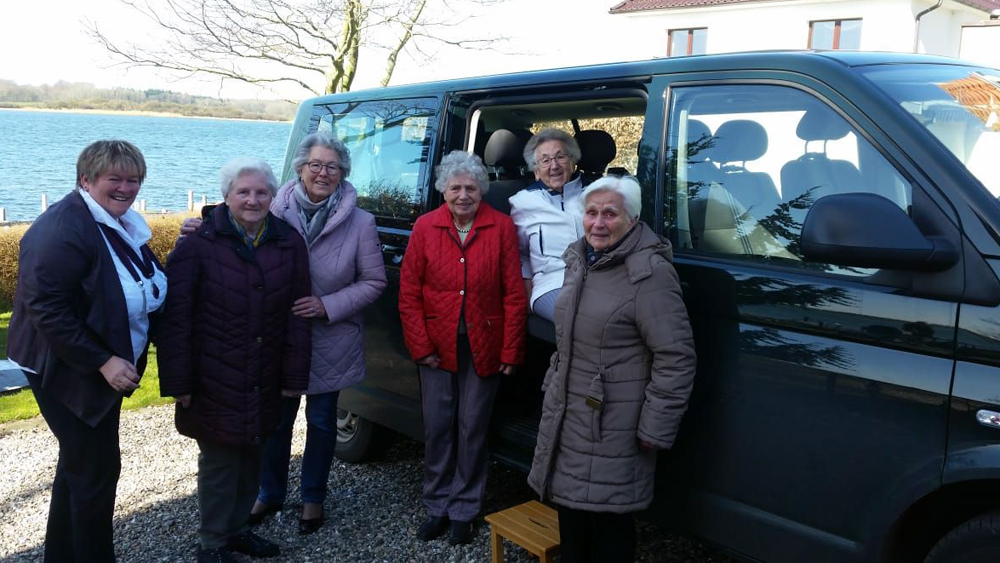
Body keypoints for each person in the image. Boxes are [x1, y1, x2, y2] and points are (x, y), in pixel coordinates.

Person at [7, 140, 167, 562]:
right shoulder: (61, 229)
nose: (126, 188)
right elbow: (46, 307)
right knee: (96, 470)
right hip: (66, 367)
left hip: (96, 363)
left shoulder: (115, 222)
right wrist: (103, 361)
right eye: (115, 179)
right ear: (86, 179)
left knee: (78, 465)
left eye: (134, 180)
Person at [527, 176, 697, 563]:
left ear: (632, 220)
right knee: (571, 519)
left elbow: (676, 357)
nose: (598, 223)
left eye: (610, 214)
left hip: (614, 423)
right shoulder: (580, 261)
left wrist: (655, 427)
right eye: (591, 213)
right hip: (569, 414)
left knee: (609, 527)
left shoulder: (649, 273)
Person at [158, 158, 312, 563]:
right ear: (226, 196)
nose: (252, 199)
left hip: (265, 371)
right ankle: (212, 542)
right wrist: (179, 382)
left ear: (273, 196)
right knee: (220, 459)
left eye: (261, 192)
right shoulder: (198, 244)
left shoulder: (289, 242)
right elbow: (176, 318)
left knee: (253, 453)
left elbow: (298, 315)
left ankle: (238, 528)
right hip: (213, 374)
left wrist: (294, 376)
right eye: (243, 192)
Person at [249, 132, 387, 534]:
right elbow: (237, 246)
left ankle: (313, 498)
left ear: (343, 172)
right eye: (315, 165)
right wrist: (198, 228)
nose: (323, 173)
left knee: (323, 422)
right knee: (276, 421)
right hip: (280, 337)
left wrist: (327, 305)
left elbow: (374, 282)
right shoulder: (272, 211)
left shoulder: (361, 222)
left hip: (332, 337)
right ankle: (269, 492)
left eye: (332, 167)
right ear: (300, 168)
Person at [399, 150, 528, 545]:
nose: (463, 195)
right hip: (436, 346)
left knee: (473, 427)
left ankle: (464, 509)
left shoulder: (501, 226)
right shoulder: (426, 226)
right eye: (455, 187)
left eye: (471, 187)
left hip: (483, 343)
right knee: (438, 427)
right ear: (443, 190)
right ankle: (437, 505)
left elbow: (514, 294)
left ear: (481, 190)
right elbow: (408, 294)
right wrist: (420, 347)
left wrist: (510, 351)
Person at [508, 128, 585, 321]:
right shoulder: (523, 202)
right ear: (536, 171)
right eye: (545, 160)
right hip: (552, 283)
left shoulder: (596, 193)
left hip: (600, 278)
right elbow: (519, 252)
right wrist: (526, 288)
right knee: (586, 320)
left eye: (560, 157)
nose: (554, 166)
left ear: (573, 162)